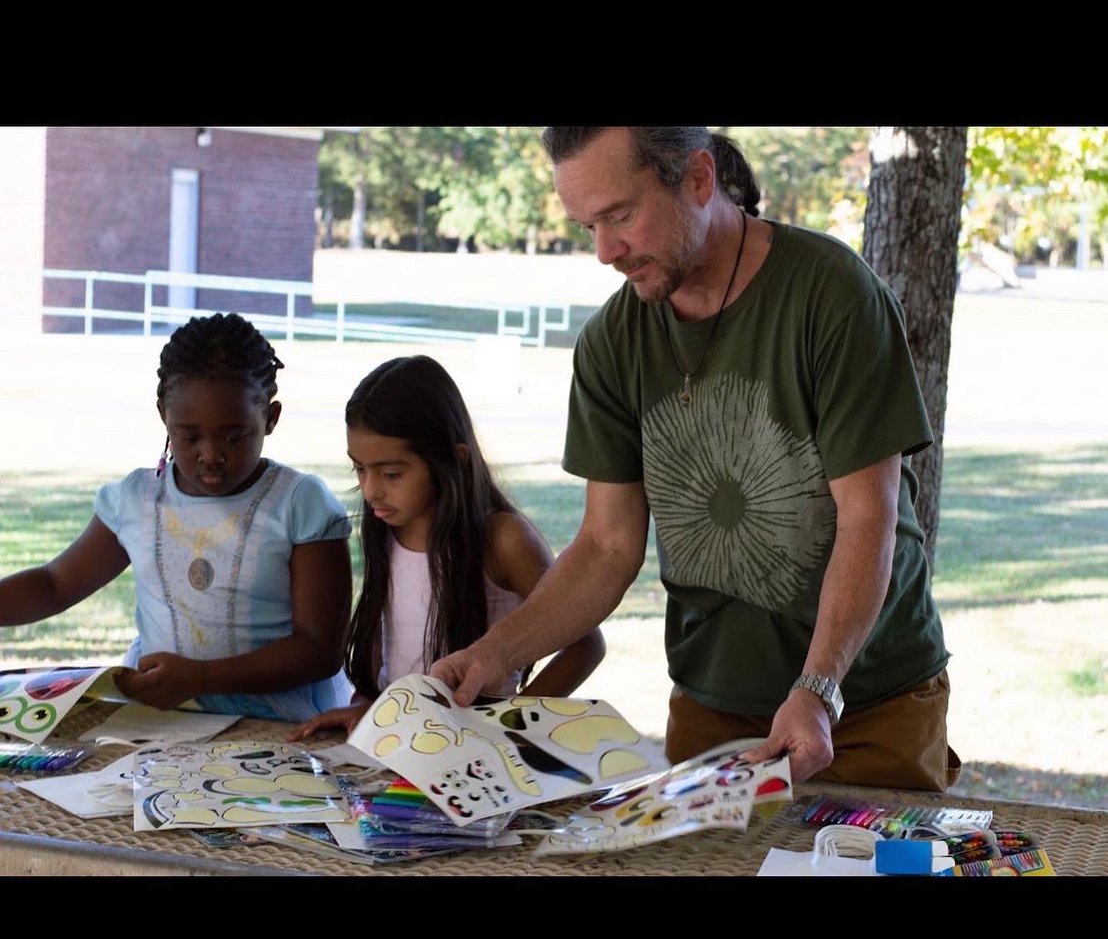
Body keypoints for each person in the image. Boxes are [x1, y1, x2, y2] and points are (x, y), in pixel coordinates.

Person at [430, 126, 958, 794]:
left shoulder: (831, 293)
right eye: (587, 225)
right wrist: (492, 654)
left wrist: (819, 689)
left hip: (868, 701)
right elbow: (605, 545)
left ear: (698, 179)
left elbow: (867, 516)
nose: (604, 251)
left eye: (620, 216)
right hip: (714, 706)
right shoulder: (611, 345)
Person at [0, 312, 354, 723]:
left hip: (273, 722)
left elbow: (320, 649)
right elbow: (55, 584)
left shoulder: (299, 503)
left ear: (270, 419)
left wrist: (203, 677)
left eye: (234, 435)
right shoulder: (138, 500)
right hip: (158, 716)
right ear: (163, 414)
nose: (211, 453)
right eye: (189, 436)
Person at [289, 354, 605, 739]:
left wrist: (511, 728)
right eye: (359, 468)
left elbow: (585, 643)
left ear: (453, 460)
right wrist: (365, 704)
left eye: (391, 473)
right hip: (399, 740)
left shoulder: (504, 539)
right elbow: (384, 642)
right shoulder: (384, 526)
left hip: (476, 751)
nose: (371, 490)